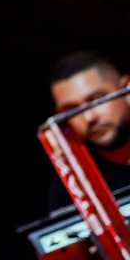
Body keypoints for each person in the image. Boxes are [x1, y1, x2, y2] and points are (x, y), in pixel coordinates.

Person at [46, 50, 130, 212]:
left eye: (97, 99)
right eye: (72, 110)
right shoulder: (73, 188)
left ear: (126, 88)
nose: (89, 117)